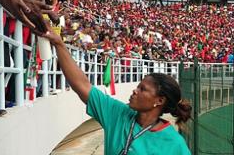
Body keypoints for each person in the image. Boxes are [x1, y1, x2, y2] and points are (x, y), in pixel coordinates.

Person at [43, 25, 192, 155]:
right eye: (138, 86)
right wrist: (59, 44)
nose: (135, 91)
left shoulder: (174, 144)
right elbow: (82, 85)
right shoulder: (118, 114)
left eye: (142, 89)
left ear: (159, 100)